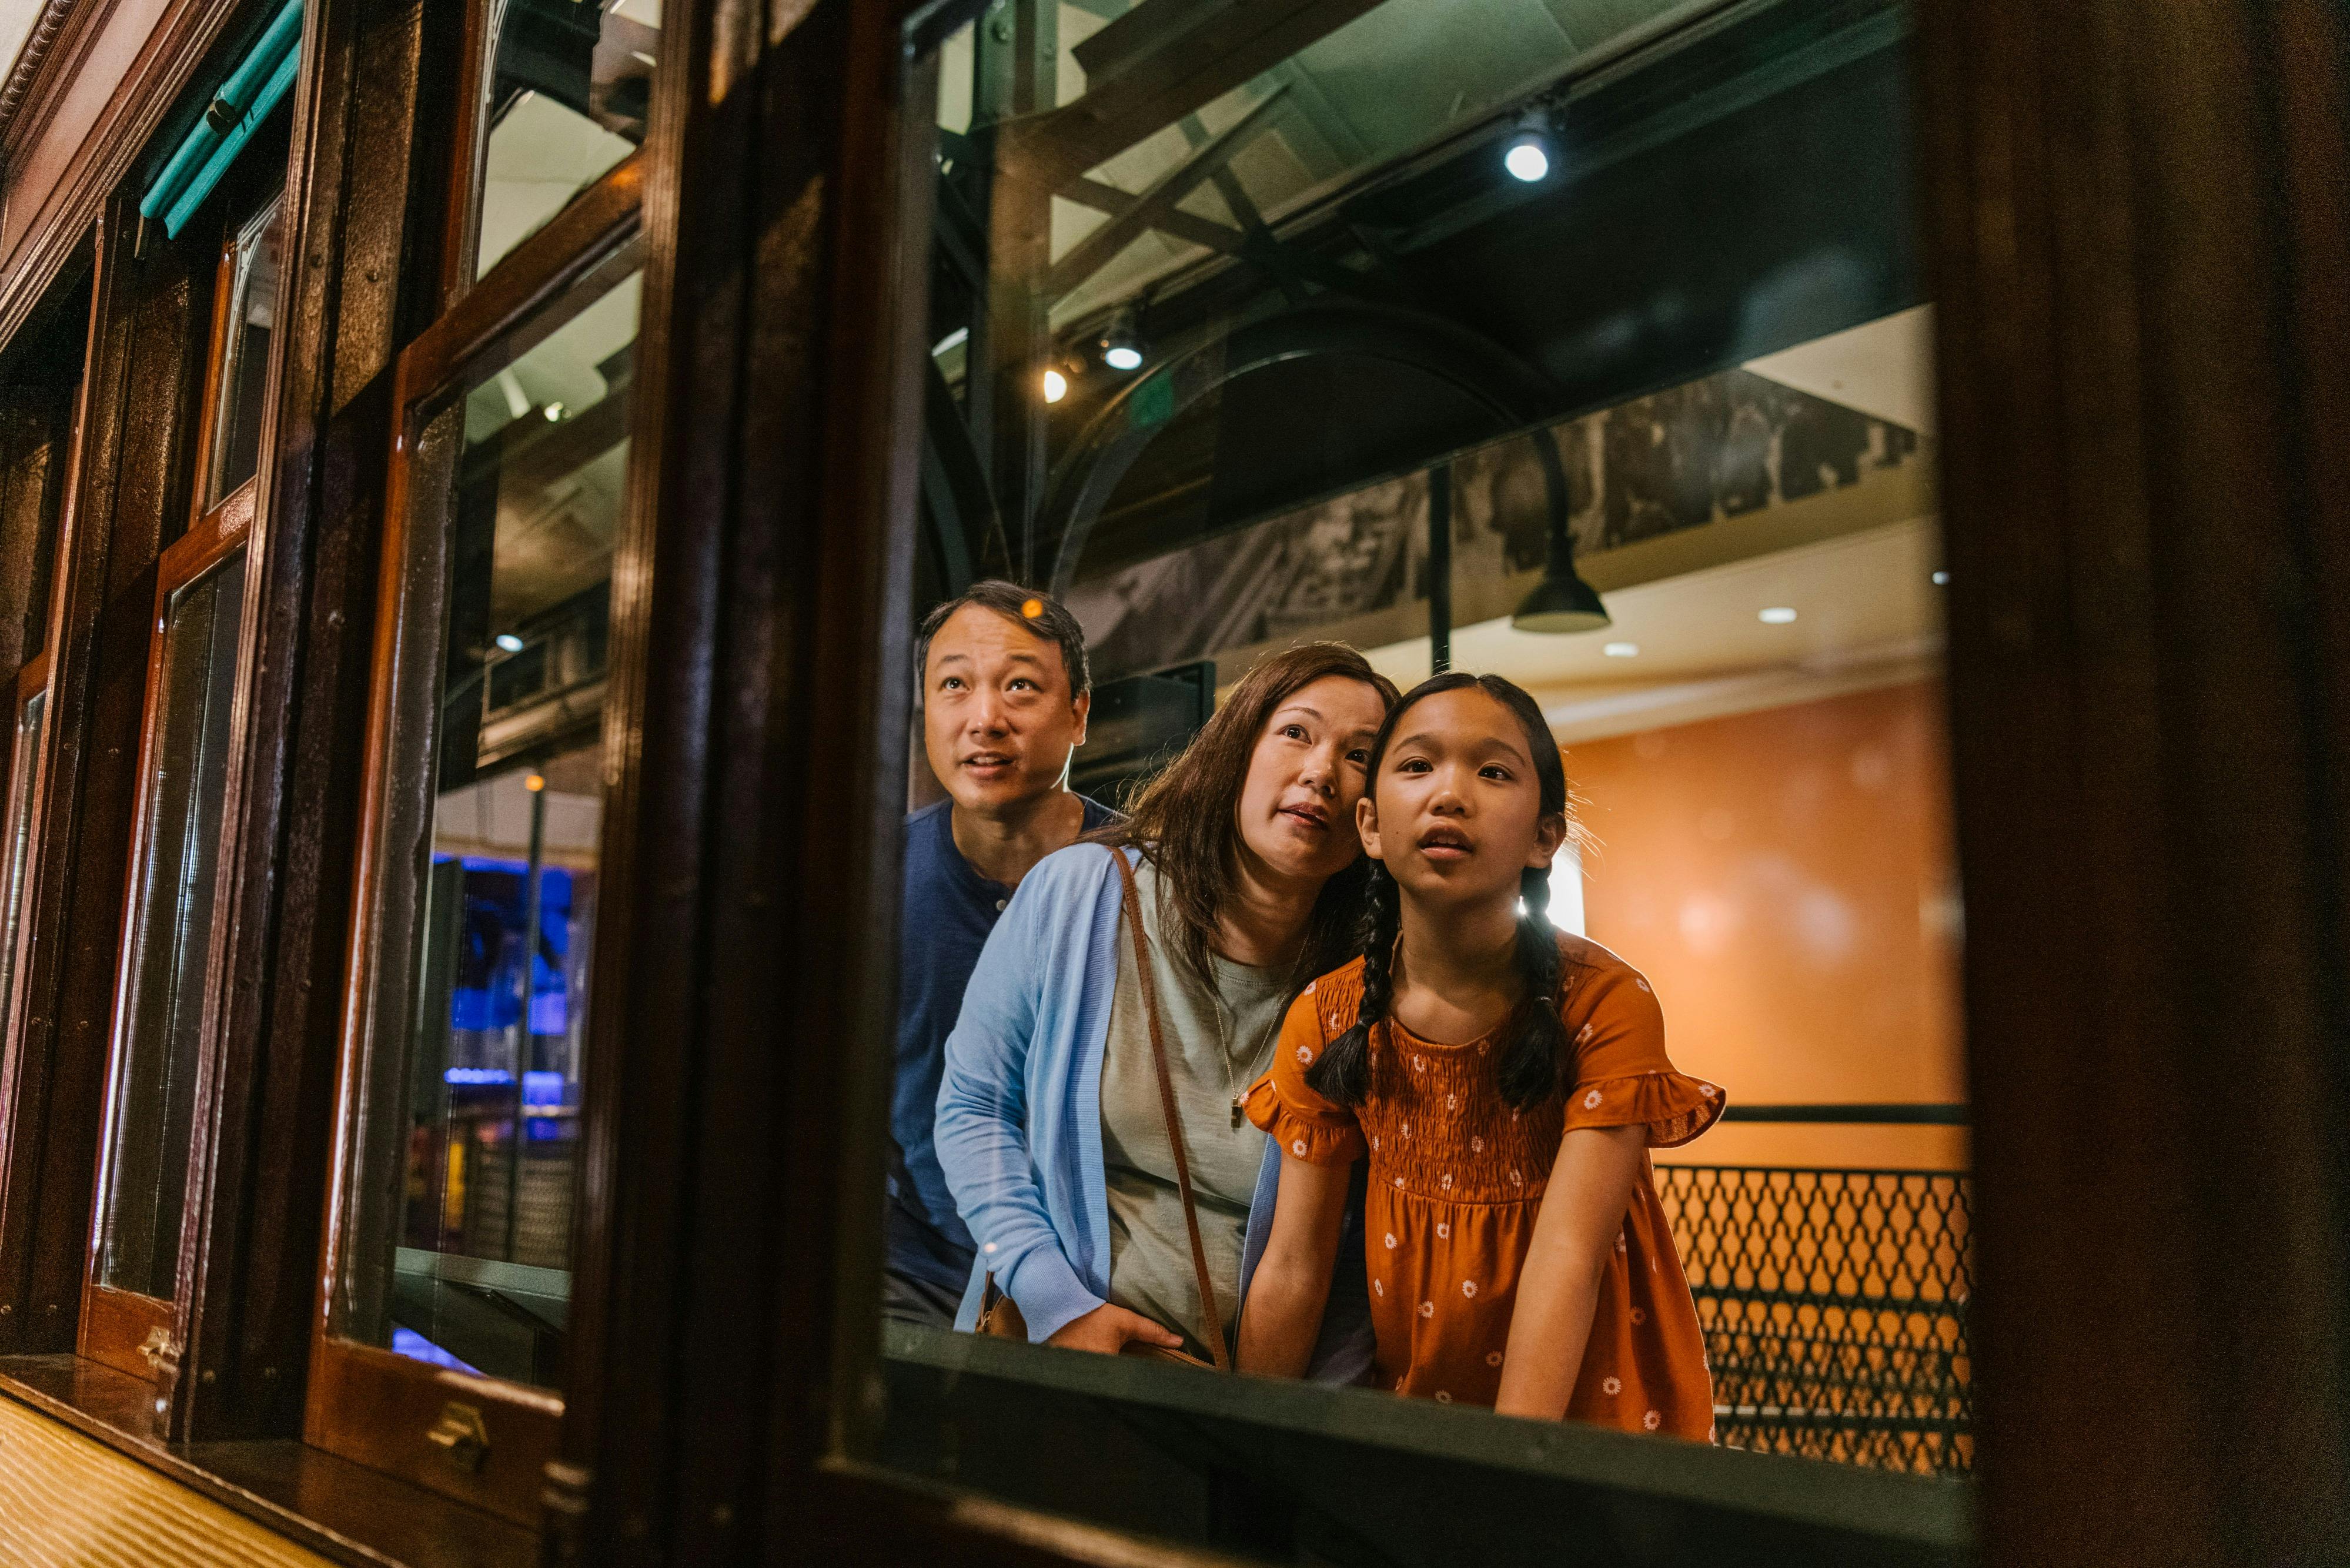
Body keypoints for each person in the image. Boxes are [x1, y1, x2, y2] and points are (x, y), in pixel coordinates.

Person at [1236, 673, 1723, 1435]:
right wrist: (1245, 1443)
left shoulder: (1603, 1003)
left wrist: (1505, 1465)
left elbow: (1567, 1258)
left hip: (1600, 1420)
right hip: (1422, 1419)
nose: (1449, 794)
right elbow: (1293, 1267)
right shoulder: (1328, 1015)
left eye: (1492, 772)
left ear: (1544, 837)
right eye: (1416, 765)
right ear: (1369, 824)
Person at [935, 644, 1399, 1368]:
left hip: (1250, 1388)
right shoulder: (1078, 893)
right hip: (1059, 1356)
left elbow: (1353, 1246)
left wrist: (1276, 1413)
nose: (1321, 772)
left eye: (1360, 755)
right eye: (1296, 733)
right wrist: (1057, 1303)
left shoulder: (1370, 983)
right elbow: (973, 1110)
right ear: (1236, 749)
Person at [885, 581, 1118, 1326]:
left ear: (1078, 712)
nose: (984, 718)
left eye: (1020, 686)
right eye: (954, 685)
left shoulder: (1146, 879)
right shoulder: (874, 877)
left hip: (1098, 1275)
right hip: (910, 1271)